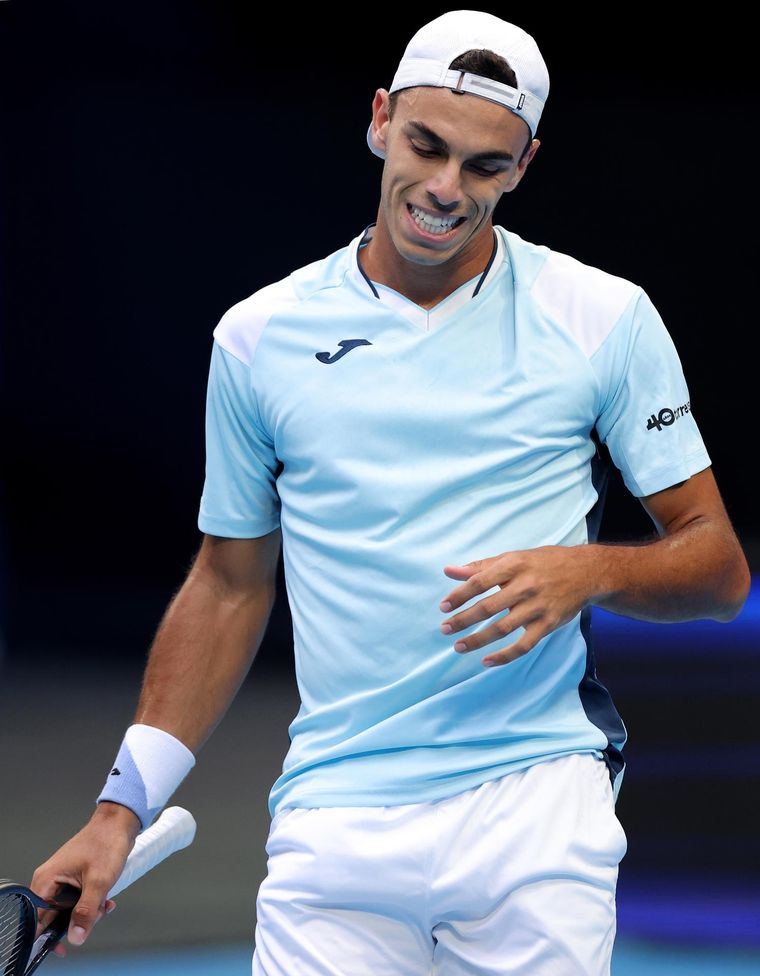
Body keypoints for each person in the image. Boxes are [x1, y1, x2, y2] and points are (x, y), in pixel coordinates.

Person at [32, 10, 750, 975]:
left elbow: (718, 568)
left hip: (536, 811)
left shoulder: (604, 317)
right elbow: (229, 585)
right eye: (426, 145)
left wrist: (586, 571)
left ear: (526, 165)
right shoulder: (257, 337)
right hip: (335, 821)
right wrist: (119, 811)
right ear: (379, 120)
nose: (448, 189)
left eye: (487, 166)